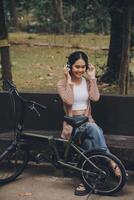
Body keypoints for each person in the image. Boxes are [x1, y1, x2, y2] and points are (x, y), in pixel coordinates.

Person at [57, 51, 120, 196]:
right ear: (69, 67)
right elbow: (69, 101)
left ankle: (86, 180)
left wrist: (92, 78)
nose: (80, 70)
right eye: (76, 67)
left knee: (90, 140)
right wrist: (69, 82)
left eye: (83, 67)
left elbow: (95, 97)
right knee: (94, 130)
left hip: (88, 122)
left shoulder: (86, 81)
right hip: (72, 127)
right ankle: (111, 162)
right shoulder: (62, 84)